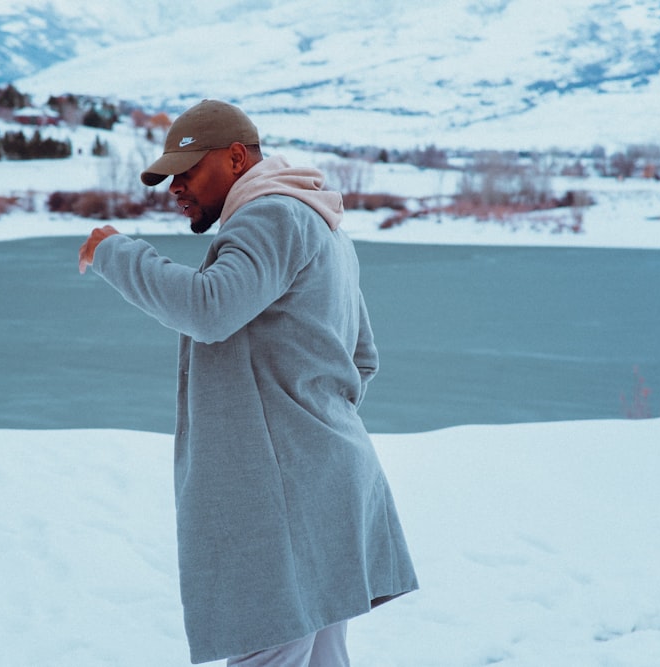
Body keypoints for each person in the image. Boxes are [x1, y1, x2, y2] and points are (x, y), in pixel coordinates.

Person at [78, 99, 418, 666]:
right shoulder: (323, 222)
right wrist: (316, 425)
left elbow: (209, 308)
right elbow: (362, 358)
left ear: (236, 157)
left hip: (278, 498)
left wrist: (115, 251)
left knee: (268, 650)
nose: (175, 187)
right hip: (331, 481)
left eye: (187, 171)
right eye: (169, 178)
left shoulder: (270, 216)